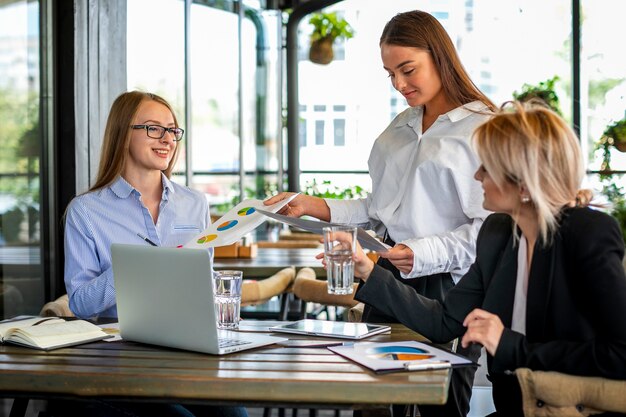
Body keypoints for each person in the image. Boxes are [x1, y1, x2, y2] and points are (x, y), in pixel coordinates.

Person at [265, 10, 495, 416]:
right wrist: (313, 205)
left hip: (450, 288)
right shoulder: (399, 128)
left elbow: (488, 231)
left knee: (440, 404)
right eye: (390, 74)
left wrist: (420, 252)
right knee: (371, 399)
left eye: (408, 70)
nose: (399, 84)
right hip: (386, 277)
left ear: (440, 57)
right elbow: (378, 211)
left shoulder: (482, 130)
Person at [347, 101, 626, 416]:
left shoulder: (587, 233)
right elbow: (445, 322)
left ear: (522, 181)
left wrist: (509, 345)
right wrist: (368, 270)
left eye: (486, 166)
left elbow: (619, 354)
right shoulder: (499, 233)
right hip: (511, 408)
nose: (477, 175)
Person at [62, 90, 247, 417]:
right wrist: (133, 269)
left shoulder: (195, 204)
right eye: (152, 128)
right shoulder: (85, 211)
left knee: (236, 416)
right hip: (119, 358)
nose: (167, 139)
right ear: (123, 134)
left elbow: (201, 281)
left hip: (190, 350)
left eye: (172, 130)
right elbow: (80, 303)